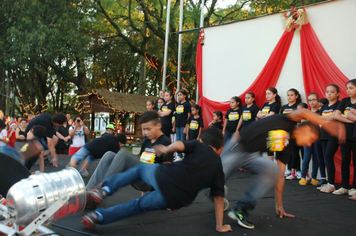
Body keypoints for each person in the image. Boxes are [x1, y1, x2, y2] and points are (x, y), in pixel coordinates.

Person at [82, 127, 232, 233]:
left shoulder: (199, 145)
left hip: (166, 177)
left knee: (140, 169)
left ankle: (104, 190)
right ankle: (98, 216)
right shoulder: (218, 169)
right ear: (221, 149)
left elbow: (181, 145)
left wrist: (167, 149)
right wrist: (220, 226)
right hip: (176, 199)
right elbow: (219, 198)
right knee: (137, 206)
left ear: (201, 140)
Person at [220, 109, 345, 230]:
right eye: (311, 139)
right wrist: (328, 125)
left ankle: (241, 208)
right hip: (237, 147)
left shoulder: (287, 146)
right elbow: (302, 112)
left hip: (252, 155)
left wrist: (279, 205)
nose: (308, 144)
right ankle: (216, 191)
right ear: (306, 129)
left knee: (272, 169)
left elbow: (280, 175)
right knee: (213, 183)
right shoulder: (288, 121)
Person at [86, 111, 172, 191]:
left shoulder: (165, 142)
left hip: (150, 180)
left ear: (159, 125)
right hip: (138, 175)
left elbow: (166, 171)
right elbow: (140, 160)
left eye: (148, 129)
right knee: (109, 155)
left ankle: (102, 189)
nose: (145, 133)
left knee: (124, 154)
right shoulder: (147, 141)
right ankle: (88, 190)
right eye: (143, 129)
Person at [333, 79, 356, 195]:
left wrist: (345, 116)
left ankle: (355, 187)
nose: (348, 90)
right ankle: (344, 186)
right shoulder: (345, 101)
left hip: (355, 135)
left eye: (351, 88)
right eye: (347, 88)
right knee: (345, 160)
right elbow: (336, 115)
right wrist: (350, 119)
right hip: (345, 135)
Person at [317, 84, 341, 193]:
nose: (329, 94)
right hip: (323, 135)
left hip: (333, 135)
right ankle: (329, 182)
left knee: (328, 157)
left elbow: (335, 117)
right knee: (326, 159)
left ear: (338, 93)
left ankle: (331, 184)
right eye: (327, 92)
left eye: (332, 92)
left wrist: (324, 118)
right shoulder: (325, 107)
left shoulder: (339, 105)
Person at [299, 93, 322, 186]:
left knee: (316, 157)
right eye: (310, 100)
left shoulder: (321, 111)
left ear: (318, 100)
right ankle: (303, 177)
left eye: (314, 100)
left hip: (317, 137)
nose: (312, 102)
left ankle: (314, 177)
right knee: (306, 157)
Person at [283, 89, 303, 180]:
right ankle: (289, 169)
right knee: (288, 152)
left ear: (296, 96)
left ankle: (298, 170)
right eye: (288, 95)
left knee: (295, 153)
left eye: (291, 95)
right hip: (285, 133)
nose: (289, 97)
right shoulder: (284, 107)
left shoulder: (297, 106)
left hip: (295, 132)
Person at [256, 87, 281, 161]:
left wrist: (262, 115)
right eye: (266, 94)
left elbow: (271, 115)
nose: (267, 96)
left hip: (271, 129)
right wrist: (264, 115)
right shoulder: (265, 104)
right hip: (263, 128)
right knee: (263, 148)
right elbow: (258, 114)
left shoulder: (275, 105)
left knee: (270, 149)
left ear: (274, 95)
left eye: (269, 94)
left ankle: (271, 168)